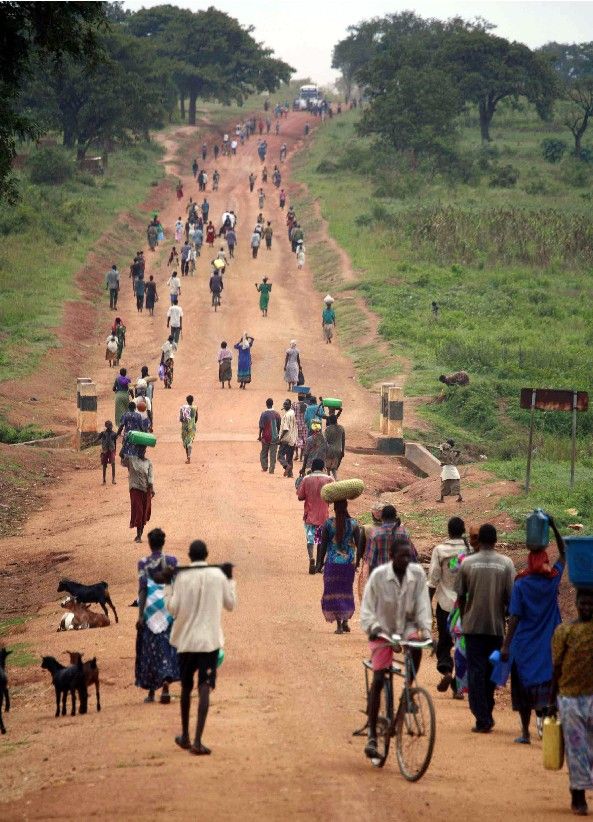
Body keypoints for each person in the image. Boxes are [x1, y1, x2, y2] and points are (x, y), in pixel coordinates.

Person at [360, 536, 432, 759]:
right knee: (379, 678)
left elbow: (423, 605)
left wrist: (426, 632)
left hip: (407, 627)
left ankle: (406, 694)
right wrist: (372, 627)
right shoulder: (379, 577)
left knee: (417, 648)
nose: (407, 560)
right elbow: (367, 608)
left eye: (409, 557)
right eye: (402, 557)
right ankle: (372, 735)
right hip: (382, 628)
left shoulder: (417, 574)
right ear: (391, 557)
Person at [162, 540, 236, 755]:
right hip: (209, 643)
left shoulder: (181, 578)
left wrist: (168, 585)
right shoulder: (218, 576)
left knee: (185, 687)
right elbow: (230, 605)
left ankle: (184, 735)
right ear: (206, 555)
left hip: (186, 642)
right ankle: (197, 741)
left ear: (190, 556)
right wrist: (230, 579)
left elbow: (172, 609)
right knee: (204, 686)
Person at [500, 516, 565, 743]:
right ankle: (549, 730)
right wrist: (554, 527)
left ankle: (526, 733)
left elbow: (515, 617)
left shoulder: (521, 583)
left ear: (528, 561)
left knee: (522, 687)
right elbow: (564, 555)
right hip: (548, 642)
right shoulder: (552, 580)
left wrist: (506, 645)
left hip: (525, 643)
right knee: (548, 684)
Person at [457, 523, 515, 733]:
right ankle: (486, 712)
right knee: (490, 671)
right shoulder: (506, 564)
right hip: (495, 627)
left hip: (472, 626)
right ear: (496, 541)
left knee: (476, 671)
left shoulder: (467, 563)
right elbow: (511, 599)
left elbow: (461, 596)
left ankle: (482, 716)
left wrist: (464, 619)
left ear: (479, 540)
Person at [551, 589, 593, 816]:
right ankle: (578, 795)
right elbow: (557, 667)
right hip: (569, 698)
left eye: (591, 603)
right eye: (584, 603)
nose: (587, 607)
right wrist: (551, 700)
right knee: (576, 750)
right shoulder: (565, 631)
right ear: (577, 604)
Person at [135, 528, 179, 704]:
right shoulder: (172, 561)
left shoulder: (143, 563)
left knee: (150, 649)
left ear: (150, 543)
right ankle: (166, 689)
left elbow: (143, 589)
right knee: (167, 648)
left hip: (150, 610)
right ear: (163, 542)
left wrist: (140, 616)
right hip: (167, 608)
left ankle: (152, 691)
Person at [428, 517, 469, 697]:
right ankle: (458, 686)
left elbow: (433, 579)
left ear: (448, 530)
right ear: (463, 530)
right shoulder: (470, 551)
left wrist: (427, 603)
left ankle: (446, 671)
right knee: (463, 644)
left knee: (444, 641)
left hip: (445, 604)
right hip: (466, 606)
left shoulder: (440, 550)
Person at [318, 499, 360, 634]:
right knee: (346, 591)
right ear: (346, 507)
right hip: (348, 564)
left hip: (332, 563)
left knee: (334, 593)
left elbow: (323, 545)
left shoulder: (329, 524)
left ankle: (339, 625)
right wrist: (357, 562)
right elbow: (360, 546)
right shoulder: (354, 524)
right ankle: (346, 621)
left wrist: (319, 562)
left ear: (334, 508)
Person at [357, 504, 416, 593]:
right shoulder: (404, 533)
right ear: (395, 516)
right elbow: (413, 557)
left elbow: (371, 562)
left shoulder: (375, 534)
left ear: (382, 517)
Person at [297, 458, 332, 574]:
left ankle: (311, 557)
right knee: (321, 540)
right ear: (323, 467)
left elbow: (300, 497)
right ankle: (319, 564)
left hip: (310, 515)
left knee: (310, 539)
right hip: (323, 516)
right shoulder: (329, 479)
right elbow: (333, 496)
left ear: (312, 467)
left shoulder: (306, 479)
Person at [122, 446, 154, 542]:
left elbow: (151, 476)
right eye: (139, 449)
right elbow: (122, 457)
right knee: (139, 511)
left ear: (145, 451)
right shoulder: (131, 460)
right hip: (135, 489)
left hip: (146, 489)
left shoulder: (148, 462)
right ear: (137, 450)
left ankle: (139, 534)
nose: (141, 451)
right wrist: (126, 444)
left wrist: (152, 489)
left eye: (143, 450)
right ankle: (138, 536)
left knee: (144, 512)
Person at [258, 398, 281, 475]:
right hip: (275, 436)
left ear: (266, 404)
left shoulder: (264, 414)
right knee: (273, 454)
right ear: (272, 404)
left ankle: (264, 467)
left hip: (266, 436)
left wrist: (259, 436)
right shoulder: (277, 414)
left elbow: (261, 426)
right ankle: (271, 470)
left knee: (264, 452)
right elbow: (279, 426)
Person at [278, 398, 297, 478]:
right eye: (284, 404)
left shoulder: (286, 415)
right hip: (292, 439)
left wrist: (280, 438)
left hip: (286, 439)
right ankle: (290, 474)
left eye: (286, 404)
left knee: (280, 456)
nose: (285, 405)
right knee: (289, 457)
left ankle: (286, 466)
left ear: (290, 405)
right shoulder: (292, 413)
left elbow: (285, 429)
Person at [324, 411, 345, 479]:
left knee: (328, 467)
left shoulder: (327, 429)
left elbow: (325, 441)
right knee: (334, 468)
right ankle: (336, 479)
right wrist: (343, 451)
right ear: (336, 420)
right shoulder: (341, 428)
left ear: (329, 421)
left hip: (329, 450)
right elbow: (343, 440)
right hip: (338, 450)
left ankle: (328, 479)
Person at [179, 395, 198, 464]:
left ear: (186, 400)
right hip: (191, 426)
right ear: (192, 400)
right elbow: (196, 418)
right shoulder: (195, 408)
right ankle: (189, 456)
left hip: (184, 427)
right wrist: (192, 423)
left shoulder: (182, 408)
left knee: (185, 442)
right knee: (190, 440)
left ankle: (187, 456)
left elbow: (181, 419)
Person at [100, 420, 118, 485]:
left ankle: (113, 479)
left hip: (112, 450)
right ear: (106, 426)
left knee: (113, 463)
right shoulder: (103, 433)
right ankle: (104, 480)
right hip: (105, 451)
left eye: (111, 425)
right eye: (109, 425)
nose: (111, 426)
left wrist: (115, 450)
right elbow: (98, 439)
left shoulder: (114, 434)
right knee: (104, 465)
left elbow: (115, 442)